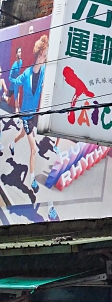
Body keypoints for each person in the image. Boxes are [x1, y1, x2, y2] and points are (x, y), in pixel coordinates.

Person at [9, 36, 47, 192]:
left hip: (34, 115)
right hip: (26, 115)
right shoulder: (26, 74)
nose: (45, 58)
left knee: (21, 135)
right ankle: (32, 181)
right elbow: (14, 80)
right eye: (44, 55)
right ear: (38, 56)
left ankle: (12, 143)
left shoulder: (44, 70)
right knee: (34, 149)